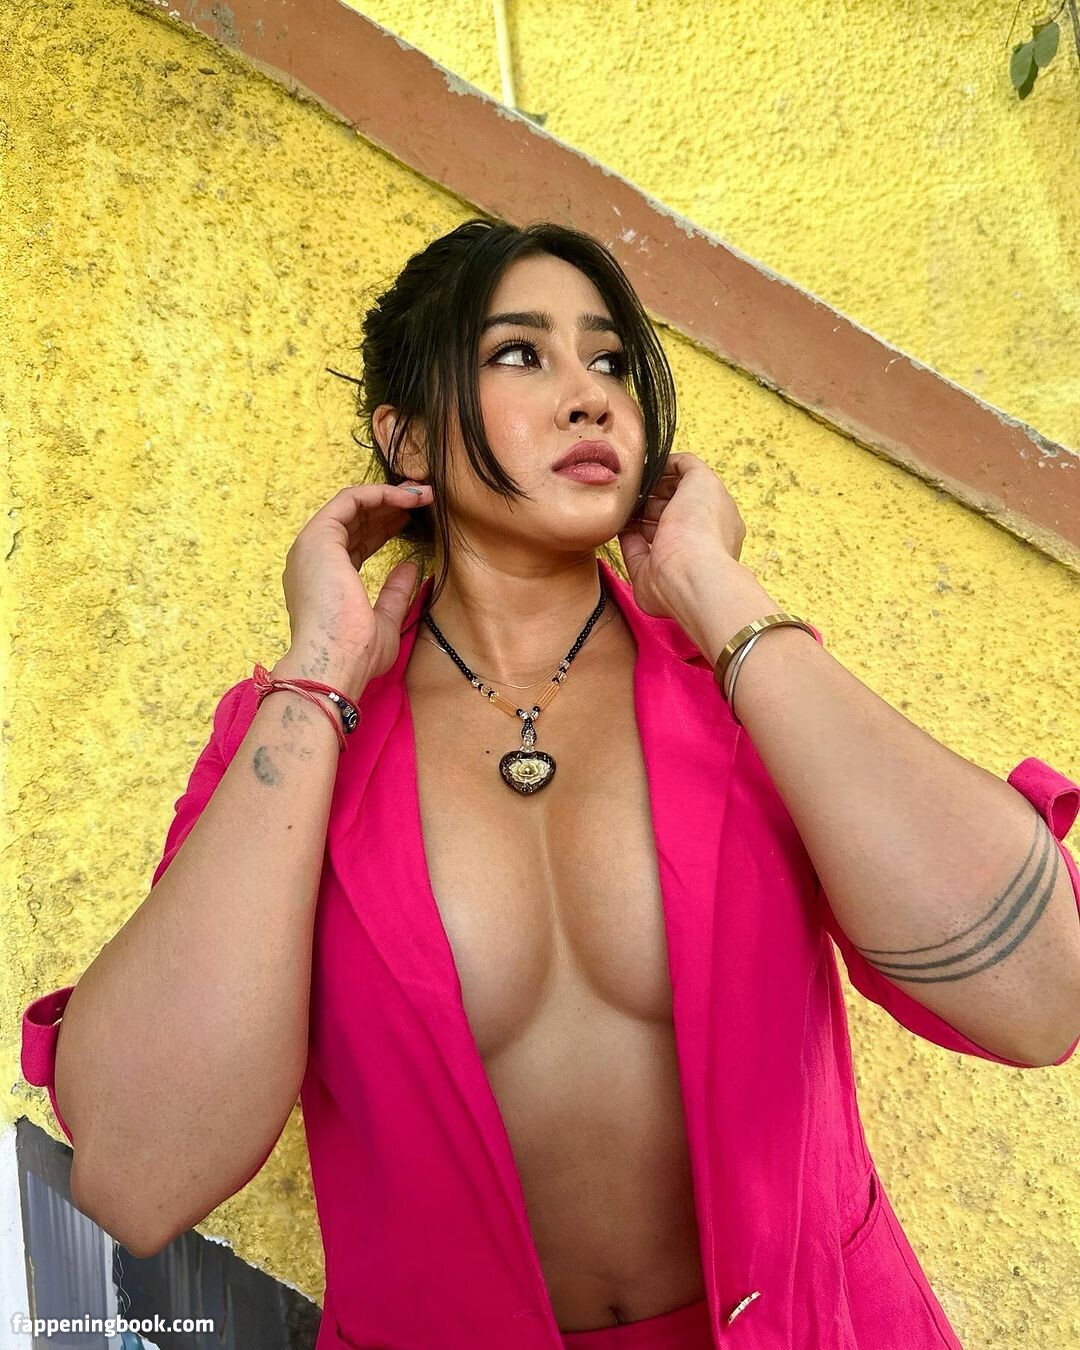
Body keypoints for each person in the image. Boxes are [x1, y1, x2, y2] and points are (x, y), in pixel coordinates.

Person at [21, 219, 1080, 1350]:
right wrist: (319, 669)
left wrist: (714, 587)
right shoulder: (296, 744)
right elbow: (138, 1178)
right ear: (406, 437)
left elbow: (1038, 998)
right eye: (521, 353)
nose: (590, 398)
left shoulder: (741, 688)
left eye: (611, 361)